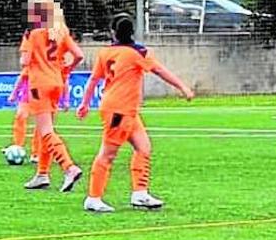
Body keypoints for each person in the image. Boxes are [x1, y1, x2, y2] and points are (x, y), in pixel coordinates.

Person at [77, 14, 195, 213]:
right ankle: (93, 197)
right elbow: (159, 70)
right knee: (108, 153)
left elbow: (93, 80)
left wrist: (85, 103)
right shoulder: (138, 52)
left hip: (123, 108)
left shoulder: (105, 52)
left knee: (144, 147)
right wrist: (183, 87)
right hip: (119, 110)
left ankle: (140, 193)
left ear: (113, 32)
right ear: (132, 31)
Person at [20, 0, 84, 191]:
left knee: (46, 130)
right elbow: (78, 55)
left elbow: (24, 61)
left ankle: (69, 167)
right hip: (57, 82)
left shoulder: (33, 33)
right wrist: (66, 69)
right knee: (44, 129)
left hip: (39, 83)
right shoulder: (61, 32)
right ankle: (42, 173)